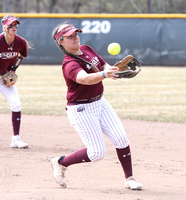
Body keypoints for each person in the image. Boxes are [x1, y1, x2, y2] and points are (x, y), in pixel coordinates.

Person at [51, 23, 142, 190]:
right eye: (70, 36)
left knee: (121, 138)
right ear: (61, 42)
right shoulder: (69, 64)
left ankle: (129, 178)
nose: (75, 38)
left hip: (100, 102)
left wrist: (112, 70)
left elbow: (102, 64)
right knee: (97, 153)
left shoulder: (86, 48)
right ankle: (60, 162)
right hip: (81, 110)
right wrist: (104, 75)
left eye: (76, 34)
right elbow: (85, 78)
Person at [0, 15, 28, 149]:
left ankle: (16, 139)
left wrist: (14, 70)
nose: (14, 28)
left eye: (15, 25)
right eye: (11, 25)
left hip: (3, 76)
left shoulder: (20, 42)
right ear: (4, 27)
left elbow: (22, 55)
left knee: (16, 104)